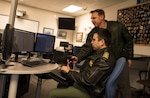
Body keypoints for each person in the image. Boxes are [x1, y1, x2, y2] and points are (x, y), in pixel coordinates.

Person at [73, 9, 133, 98]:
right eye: (91, 18)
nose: (92, 20)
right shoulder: (93, 33)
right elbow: (87, 48)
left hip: (118, 60)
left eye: (94, 18)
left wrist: (129, 57)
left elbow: (129, 41)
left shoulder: (118, 27)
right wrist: (78, 57)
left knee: (124, 87)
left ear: (102, 17)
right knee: (107, 86)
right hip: (105, 62)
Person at [48, 28, 116, 98]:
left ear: (102, 42)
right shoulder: (99, 53)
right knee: (62, 83)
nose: (91, 42)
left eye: (94, 40)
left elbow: (87, 80)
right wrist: (72, 68)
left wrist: (69, 72)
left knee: (51, 94)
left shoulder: (104, 60)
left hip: (89, 92)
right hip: (87, 86)